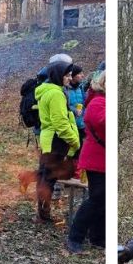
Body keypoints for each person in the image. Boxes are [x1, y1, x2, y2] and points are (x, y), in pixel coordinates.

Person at [34, 61, 82, 222]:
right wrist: (75, 141)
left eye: (70, 75)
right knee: (49, 178)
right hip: (56, 141)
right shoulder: (56, 94)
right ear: (58, 76)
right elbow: (60, 123)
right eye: (67, 75)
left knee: (45, 176)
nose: (69, 78)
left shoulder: (47, 91)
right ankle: (44, 214)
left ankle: (43, 212)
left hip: (49, 139)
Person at [68, 72, 106, 253]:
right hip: (96, 159)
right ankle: (75, 236)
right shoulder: (98, 101)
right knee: (97, 199)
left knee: (103, 200)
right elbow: (100, 121)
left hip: (103, 159)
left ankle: (98, 237)